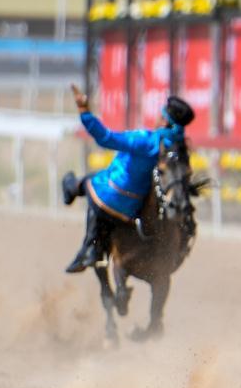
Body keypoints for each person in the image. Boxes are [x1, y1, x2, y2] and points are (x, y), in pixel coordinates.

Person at [63, 83, 195, 273]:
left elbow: (105, 138)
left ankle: (89, 248)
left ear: (165, 122)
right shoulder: (180, 149)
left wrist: (84, 111)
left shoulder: (145, 140)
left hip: (117, 198)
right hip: (141, 207)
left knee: (90, 183)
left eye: (160, 115)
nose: (156, 118)